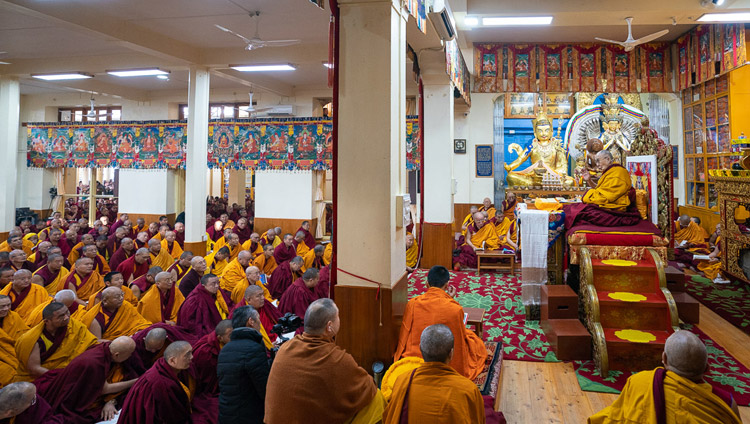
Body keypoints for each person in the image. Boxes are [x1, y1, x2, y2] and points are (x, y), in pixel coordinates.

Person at [265, 298, 385, 423]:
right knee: (377, 400)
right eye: (337, 316)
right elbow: (368, 387)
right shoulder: (336, 359)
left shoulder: (285, 348)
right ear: (329, 326)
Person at [588, 330, 742, 424]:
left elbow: (615, 418)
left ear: (664, 359)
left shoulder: (640, 382)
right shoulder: (726, 402)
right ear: (707, 368)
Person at [395, 266, 487, 380]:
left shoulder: (412, 304)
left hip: (417, 357)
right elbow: (459, 336)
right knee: (474, 341)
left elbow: (404, 336)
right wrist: (451, 299)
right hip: (443, 357)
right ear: (447, 285)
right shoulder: (455, 309)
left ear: (427, 284)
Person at [384, 324, 486, 423]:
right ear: (451, 353)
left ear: (420, 349)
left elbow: (390, 417)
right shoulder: (468, 389)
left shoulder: (402, 381)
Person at [38, 337, 138, 423]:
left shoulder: (105, 347)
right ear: (116, 355)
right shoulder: (95, 364)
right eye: (129, 354)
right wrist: (135, 381)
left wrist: (111, 401)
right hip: (71, 395)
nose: (130, 356)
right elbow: (104, 389)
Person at [14, 301, 97, 382]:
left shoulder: (72, 325)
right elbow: (34, 369)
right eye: (61, 316)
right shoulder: (33, 340)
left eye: (67, 312)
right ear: (47, 321)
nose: (67, 317)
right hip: (42, 378)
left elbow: (90, 343)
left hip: (70, 371)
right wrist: (62, 377)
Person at [116, 341, 194, 424]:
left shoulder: (162, 365)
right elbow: (171, 417)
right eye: (187, 355)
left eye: (191, 353)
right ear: (172, 361)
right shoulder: (164, 385)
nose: (192, 357)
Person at [217, 306, 270, 424]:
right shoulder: (253, 349)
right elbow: (264, 388)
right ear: (251, 321)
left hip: (227, 412)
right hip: (247, 416)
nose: (260, 324)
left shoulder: (225, 350)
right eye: (258, 319)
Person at [564, 150, 641, 229]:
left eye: (598, 161)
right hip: (608, 204)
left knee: (584, 212)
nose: (597, 165)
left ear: (607, 159)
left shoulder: (619, 172)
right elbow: (601, 190)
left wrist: (589, 195)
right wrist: (589, 180)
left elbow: (608, 197)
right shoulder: (609, 172)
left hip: (615, 208)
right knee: (572, 208)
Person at [191, 320, 233, 424]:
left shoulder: (222, 342)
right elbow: (206, 380)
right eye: (230, 336)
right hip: (209, 390)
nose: (233, 339)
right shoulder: (206, 353)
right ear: (219, 338)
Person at [81, 287, 151, 340]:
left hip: (131, 338)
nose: (121, 298)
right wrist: (121, 341)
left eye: (122, 295)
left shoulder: (125, 305)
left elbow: (140, 323)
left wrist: (139, 332)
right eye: (117, 297)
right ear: (105, 301)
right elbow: (96, 341)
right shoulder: (97, 318)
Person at [177, 273, 230, 338]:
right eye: (213, 284)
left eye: (218, 283)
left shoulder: (218, 293)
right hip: (205, 331)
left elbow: (229, 305)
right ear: (203, 286)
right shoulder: (194, 300)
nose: (217, 286)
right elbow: (190, 324)